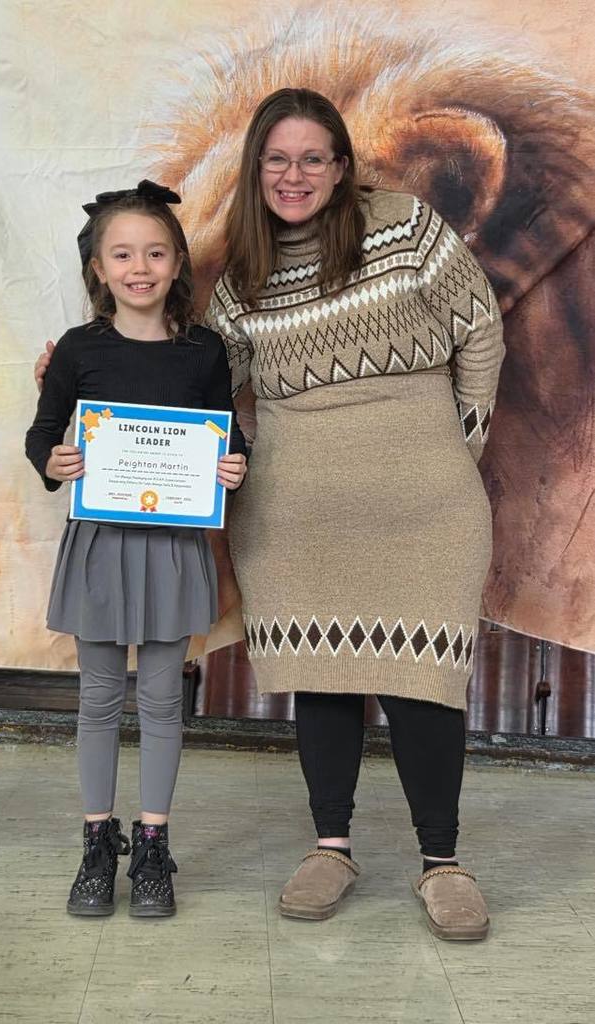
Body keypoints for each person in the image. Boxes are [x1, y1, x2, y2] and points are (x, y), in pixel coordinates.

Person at [35, 87, 505, 940]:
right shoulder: (244, 272)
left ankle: (442, 862)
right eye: (276, 160)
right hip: (292, 508)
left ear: (340, 166)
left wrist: (454, 449)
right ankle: (331, 848)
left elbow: (479, 331)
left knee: (424, 681)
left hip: (421, 502)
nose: (294, 175)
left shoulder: (406, 226)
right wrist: (82, 376)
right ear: (257, 170)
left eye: (311, 158)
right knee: (318, 675)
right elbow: (196, 376)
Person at [26, 180, 247, 918]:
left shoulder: (204, 351)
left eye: (155, 253)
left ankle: (152, 845)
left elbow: (228, 434)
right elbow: (43, 431)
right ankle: (97, 843)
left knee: (159, 699)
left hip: (172, 546)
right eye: (122, 254)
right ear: (98, 268)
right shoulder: (77, 350)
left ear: (178, 262)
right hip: (98, 543)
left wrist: (234, 465)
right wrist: (53, 459)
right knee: (97, 698)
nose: (139, 267)